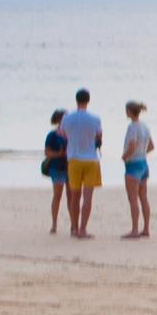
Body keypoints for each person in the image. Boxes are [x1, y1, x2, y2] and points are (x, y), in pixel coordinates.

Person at [59, 88, 104, 239]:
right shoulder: (95, 119)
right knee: (88, 197)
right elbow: (99, 135)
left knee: (74, 196)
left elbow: (62, 134)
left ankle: (74, 227)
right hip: (91, 159)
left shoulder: (67, 118)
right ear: (88, 100)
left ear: (76, 100)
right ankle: (83, 229)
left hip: (73, 159)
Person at [121, 100, 154, 238]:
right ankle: (146, 228)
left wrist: (125, 156)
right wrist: (142, 153)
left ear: (129, 111)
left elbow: (132, 145)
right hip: (143, 163)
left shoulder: (132, 127)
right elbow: (151, 146)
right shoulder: (145, 126)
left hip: (133, 164)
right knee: (143, 197)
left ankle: (135, 229)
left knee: (133, 198)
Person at [42, 109, 69, 234]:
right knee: (57, 196)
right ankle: (54, 224)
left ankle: (74, 225)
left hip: (70, 167)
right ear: (58, 120)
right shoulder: (52, 135)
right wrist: (60, 153)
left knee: (72, 197)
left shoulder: (71, 134)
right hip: (57, 167)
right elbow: (47, 153)